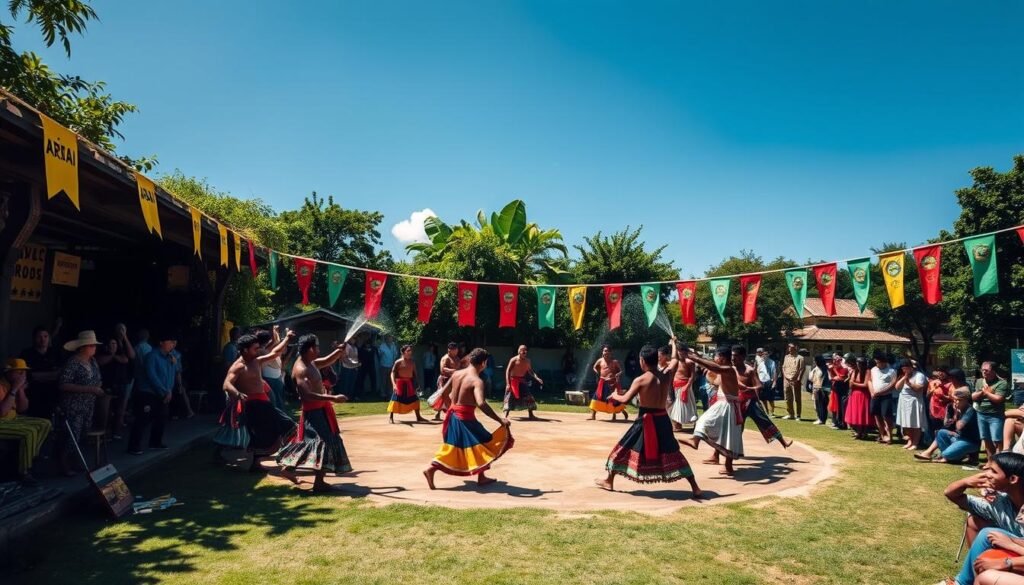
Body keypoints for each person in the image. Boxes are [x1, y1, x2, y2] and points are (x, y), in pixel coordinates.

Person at [595, 344, 701, 497]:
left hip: (644, 421)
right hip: (663, 419)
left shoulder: (640, 380)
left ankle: (609, 480)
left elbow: (624, 399)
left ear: (642, 361)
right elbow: (675, 360)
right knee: (673, 451)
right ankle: (695, 487)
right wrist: (673, 344)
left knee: (622, 449)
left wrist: (614, 395)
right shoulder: (666, 374)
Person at [424, 348, 513, 489]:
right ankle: (431, 469)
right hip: (465, 419)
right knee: (483, 442)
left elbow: (444, 393)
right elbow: (481, 403)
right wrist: (500, 420)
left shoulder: (457, 374)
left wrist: (450, 408)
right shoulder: (477, 381)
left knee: (472, 444)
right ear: (484, 363)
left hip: (453, 416)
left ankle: (481, 477)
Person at [275, 334, 352, 492]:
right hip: (313, 412)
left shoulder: (311, 362)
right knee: (321, 444)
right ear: (310, 349)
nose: (318, 349)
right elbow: (306, 395)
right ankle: (315, 481)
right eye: (316, 347)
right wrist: (333, 397)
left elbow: (327, 360)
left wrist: (338, 352)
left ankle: (296, 472)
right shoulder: (301, 369)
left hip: (321, 410)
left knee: (318, 443)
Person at [940, 452, 1024, 585]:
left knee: (987, 533)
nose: (986, 473)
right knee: (974, 521)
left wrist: (1010, 544)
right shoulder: (1000, 502)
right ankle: (972, 575)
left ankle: (962, 582)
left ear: (1013, 479)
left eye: (994, 471)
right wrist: (966, 482)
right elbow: (951, 494)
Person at [224, 331, 298, 471]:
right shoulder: (238, 366)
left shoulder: (256, 361)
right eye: (255, 348)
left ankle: (256, 464)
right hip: (253, 405)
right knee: (287, 427)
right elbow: (226, 384)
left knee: (266, 434)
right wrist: (237, 393)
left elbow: (275, 353)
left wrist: (287, 338)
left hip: (264, 404)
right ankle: (288, 459)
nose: (259, 351)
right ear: (245, 350)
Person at [680, 346, 746, 477]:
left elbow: (716, 369)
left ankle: (697, 440)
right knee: (725, 434)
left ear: (721, 357)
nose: (714, 359)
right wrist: (706, 370)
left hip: (728, 405)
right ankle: (701, 444)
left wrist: (694, 358)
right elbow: (715, 380)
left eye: (715, 356)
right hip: (724, 404)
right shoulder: (724, 371)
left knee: (726, 434)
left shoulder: (728, 369)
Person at [57, 331, 104, 476]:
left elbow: (97, 378)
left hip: (88, 405)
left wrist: (98, 388)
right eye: (91, 345)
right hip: (74, 405)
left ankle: (75, 461)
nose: (94, 348)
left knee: (83, 434)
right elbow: (63, 384)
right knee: (72, 436)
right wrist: (90, 389)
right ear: (83, 347)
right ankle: (63, 464)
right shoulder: (73, 362)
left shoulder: (93, 361)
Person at [0, 358, 52, 481]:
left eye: (24, 372)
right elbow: (2, 412)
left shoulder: (14, 385)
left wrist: (21, 390)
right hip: (2, 421)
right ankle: (24, 472)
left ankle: (32, 458)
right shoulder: (2, 385)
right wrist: (14, 389)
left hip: (12, 418)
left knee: (45, 423)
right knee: (29, 432)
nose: (22, 376)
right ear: (8, 372)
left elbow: (23, 408)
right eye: (19, 372)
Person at [127, 332, 177, 455]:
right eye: (169, 341)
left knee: (162, 416)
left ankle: (155, 442)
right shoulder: (152, 356)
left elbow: (171, 376)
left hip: (163, 392)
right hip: (148, 392)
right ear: (161, 342)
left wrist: (169, 390)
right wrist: (164, 391)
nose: (172, 344)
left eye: (173, 342)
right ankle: (133, 446)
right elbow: (151, 375)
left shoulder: (170, 357)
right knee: (143, 418)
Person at [916, 379, 980, 464]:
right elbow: (946, 425)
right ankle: (950, 455)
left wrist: (956, 414)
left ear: (966, 400)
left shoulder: (970, 411)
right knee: (941, 432)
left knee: (946, 454)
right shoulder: (954, 407)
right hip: (959, 438)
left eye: (959, 400)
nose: (956, 402)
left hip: (970, 442)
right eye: (955, 400)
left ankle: (950, 456)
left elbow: (959, 426)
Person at [19, 322, 63, 421]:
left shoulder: (55, 353)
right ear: (34, 338)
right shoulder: (27, 354)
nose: (43, 339)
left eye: (45, 336)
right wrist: (51, 375)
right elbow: (28, 376)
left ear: (49, 338)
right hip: (34, 395)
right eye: (39, 336)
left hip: (53, 394)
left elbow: (60, 374)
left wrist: (39, 375)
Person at [97, 332, 134, 437]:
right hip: (107, 385)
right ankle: (105, 432)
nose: (112, 346)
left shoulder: (121, 352)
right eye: (110, 344)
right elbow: (100, 361)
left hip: (121, 384)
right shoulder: (102, 354)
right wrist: (112, 356)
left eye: (114, 344)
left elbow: (126, 359)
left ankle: (116, 432)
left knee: (120, 410)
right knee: (106, 411)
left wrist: (114, 355)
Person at [974, 361, 1011, 462]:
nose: (984, 372)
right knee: (986, 438)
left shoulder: (1002, 383)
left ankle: (1000, 462)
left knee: (997, 439)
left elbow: (998, 399)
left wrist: (986, 393)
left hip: (995, 415)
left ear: (994, 371)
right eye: (982, 370)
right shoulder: (979, 382)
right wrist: (984, 392)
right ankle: (990, 461)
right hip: (981, 413)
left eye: (987, 370)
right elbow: (973, 397)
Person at [895, 359, 928, 450]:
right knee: (906, 423)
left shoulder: (919, 375)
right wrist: (904, 378)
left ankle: (915, 443)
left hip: (915, 400)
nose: (905, 371)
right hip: (904, 400)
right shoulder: (903, 375)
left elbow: (918, 388)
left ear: (911, 367)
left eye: (907, 368)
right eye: (903, 369)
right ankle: (910, 441)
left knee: (915, 423)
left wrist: (909, 383)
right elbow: (897, 387)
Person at [388, 345, 426, 423]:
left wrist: (417, 383)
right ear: (403, 352)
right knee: (395, 400)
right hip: (399, 383)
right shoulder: (398, 362)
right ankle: (391, 417)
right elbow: (392, 373)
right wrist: (394, 384)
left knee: (415, 400)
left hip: (409, 383)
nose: (410, 352)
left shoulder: (412, 362)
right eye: (408, 351)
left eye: (410, 351)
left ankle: (418, 417)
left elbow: (415, 374)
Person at [589, 345, 626, 421]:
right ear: (602, 352)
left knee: (613, 399)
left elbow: (621, 371)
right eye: (604, 351)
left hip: (611, 382)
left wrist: (617, 374)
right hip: (602, 381)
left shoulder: (614, 362)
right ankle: (593, 415)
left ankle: (618, 413)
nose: (606, 352)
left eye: (607, 351)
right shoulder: (600, 360)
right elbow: (594, 367)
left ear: (610, 353)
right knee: (596, 397)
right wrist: (596, 372)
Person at [504, 345, 541, 420]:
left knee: (528, 396)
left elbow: (530, 371)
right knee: (510, 397)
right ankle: (505, 415)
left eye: (525, 350)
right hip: (513, 381)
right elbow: (508, 371)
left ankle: (531, 414)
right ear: (519, 351)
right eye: (522, 350)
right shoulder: (513, 360)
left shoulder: (528, 361)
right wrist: (508, 384)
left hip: (522, 381)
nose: (524, 351)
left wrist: (537, 378)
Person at [868, 350, 897, 444]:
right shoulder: (873, 370)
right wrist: (872, 392)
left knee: (886, 416)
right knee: (877, 416)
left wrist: (881, 392)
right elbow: (869, 381)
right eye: (876, 362)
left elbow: (893, 384)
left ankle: (890, 436)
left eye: (879, 362)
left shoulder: (891, 371)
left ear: (884, 362)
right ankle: (882, 435)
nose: (877, 364)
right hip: (875, 396)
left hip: (886, 396)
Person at [257, 328, 288, 412]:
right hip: (270, 378)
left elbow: (276, 341)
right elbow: (276, 342)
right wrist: (276, 331)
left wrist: (275, 331)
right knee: (275, 402)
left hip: (275, 378)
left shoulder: (265, 349)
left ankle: (279, 418)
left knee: (278, 400)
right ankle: (278, 419)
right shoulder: (261, 350)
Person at [668, 343, 696, 431]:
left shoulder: (689, 362)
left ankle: (692, 424)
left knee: (684, 407)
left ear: (685, 351)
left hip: (685, 386)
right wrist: (673, 343)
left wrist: (687, 387)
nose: (680, 352)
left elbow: (692, 376)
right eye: (678, 350)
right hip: (676, 386)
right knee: (677, 407)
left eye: (681, 351)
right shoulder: (675, 361)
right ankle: (678, 426)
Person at [429, 342, 461, 420]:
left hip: (455, 380)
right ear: (450, 350)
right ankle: (450, 415)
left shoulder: (457, 358)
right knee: (446, 397)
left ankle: (444, 413)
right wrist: (454, 370)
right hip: (445, 380)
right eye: (454, 350)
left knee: (453, 397)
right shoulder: (445, 358)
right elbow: (442, 369)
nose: (456, 351)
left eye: (457, 349)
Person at [845, 356, 873, 439]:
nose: (858, 365)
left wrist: (854, 383)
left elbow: (865, 385)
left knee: (862, 414)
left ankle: (863, 432)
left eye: (860, 363)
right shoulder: (855, 371)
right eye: (857, 363)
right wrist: (851, 381)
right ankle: (857, 431)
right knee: (855, 413)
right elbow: (850, 384)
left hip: (863, 394)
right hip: (854, 394)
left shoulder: (868, 371)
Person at [927, 366, 952, 439]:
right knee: (935, 427)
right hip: (934, 408)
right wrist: (933, 390)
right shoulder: (933, 383)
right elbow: (927, 396)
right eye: (939, 371)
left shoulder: (951, 383)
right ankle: (936, 442)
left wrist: (945, 398)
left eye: (942, 371)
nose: (940, 373)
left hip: (946, 409)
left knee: (945, 427)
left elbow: (952, 397)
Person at [781, 343, 805, 421]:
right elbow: (783, 367)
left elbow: (801, 369)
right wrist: (785, 377)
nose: (789, 349)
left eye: (791, 348)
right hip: (786, 380)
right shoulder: (786, 357)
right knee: (787, 398)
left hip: (795, 380)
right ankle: (790, 414)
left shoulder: (800, 358)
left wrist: (798, 379)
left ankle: (798, 415)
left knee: (797, 398)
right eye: (789, 348)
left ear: (795, 348)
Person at [828, 353, 850, 430]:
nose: (834, 362)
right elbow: (831, 377)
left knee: (842, 407)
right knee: (837, 407)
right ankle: (837, 422)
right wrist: (832, 371)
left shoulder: (844, 368)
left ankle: (843, 424)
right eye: (834, 360)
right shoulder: (835, 368)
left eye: (836, 360)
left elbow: (841, 378)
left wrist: (833, 372)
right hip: (836, 389)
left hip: (843, 390)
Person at [755, 348, 778, 418]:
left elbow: (774, 373)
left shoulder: (772, 362)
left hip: (769, 381)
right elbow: (758, 372)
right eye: (763, 354)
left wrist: (774, 382)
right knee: (763, 398)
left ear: (768, 355)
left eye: (766, 354)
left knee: (770, 398)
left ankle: (772, 412)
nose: (764, 356)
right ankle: (766, 412)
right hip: (762, 382)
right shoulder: (760, 363)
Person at [377, 335, 398, 399]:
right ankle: (383, 393)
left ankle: (390, 393)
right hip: (383, 365)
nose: (390, 340)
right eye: (389, 338)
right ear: (386, 339)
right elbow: (379, 354)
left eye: (391, 338)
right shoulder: (382, 346)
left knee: (390, 380)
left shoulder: (393, 346)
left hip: (391, 365)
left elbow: (395, 354)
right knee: (383, 380)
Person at [810, 355, 829, 425]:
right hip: (815, 388)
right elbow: (811, 378)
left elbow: (825, 380)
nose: (815, 362)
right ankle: (819, 418)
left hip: (822, 389)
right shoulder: (815, 368)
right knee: (816, 405)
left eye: (816, 361)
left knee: (822, 405)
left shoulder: (825, 369)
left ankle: (822, 419)